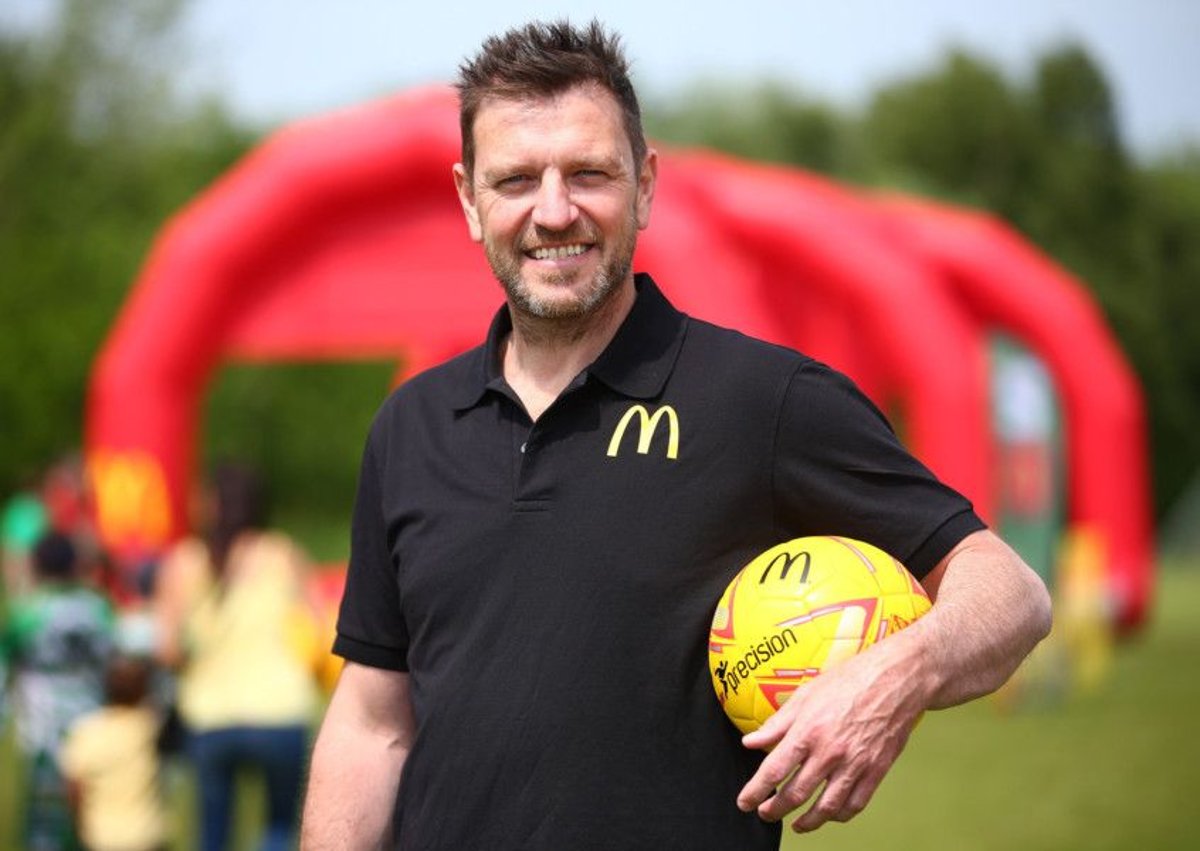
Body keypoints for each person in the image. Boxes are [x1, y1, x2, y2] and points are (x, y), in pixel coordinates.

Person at [300, 20, 1052, 850]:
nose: (555, 211)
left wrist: (894, 675)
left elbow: (1009, 592)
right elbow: (373, 720)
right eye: (516, 179)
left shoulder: (764, 400)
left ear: (647, 184)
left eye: (589, 173)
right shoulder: (411, 425)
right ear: (469, 200)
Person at [154, 463, 320, 851]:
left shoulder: (184, 562)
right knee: (279, 828)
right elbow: (317, 631)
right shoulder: (284, 554)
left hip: (211, 712)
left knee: (212, 832)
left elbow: (167, 651)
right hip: (282, 709)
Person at [2, 531, 115, 851]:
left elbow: (7, 659)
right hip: (91, 717)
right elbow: (113, 658)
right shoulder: (97, 607)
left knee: (46, 812)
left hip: (43, 724)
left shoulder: (30, 612)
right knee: (91, 806)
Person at [59, 654, 167, 851]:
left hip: (99, 837)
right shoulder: (150, 726)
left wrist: (79, 827)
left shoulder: (86, 731)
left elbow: (74, 789)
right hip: (146, 837)